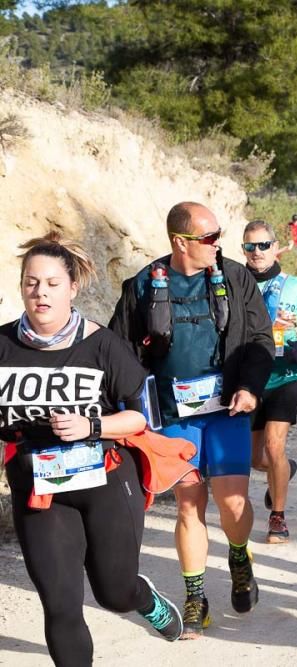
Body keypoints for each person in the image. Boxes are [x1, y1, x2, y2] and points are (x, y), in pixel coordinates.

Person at [2, 233, 184, 665]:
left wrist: (91, 423)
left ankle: (143, 598)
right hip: (38, 488)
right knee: (61, 605)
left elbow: (143, 417)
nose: (40, 292)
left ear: (72, 287)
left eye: (51, 283)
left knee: (113, 592)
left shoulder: (102, 344)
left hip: (104, 478)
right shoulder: (3, 346)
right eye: (31, 282)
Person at [109, 202, 274, 639]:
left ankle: (239, 554)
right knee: (189, 502)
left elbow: (260, 339)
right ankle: (195, 596)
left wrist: (251, 387)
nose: (218, 244)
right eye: (209, 238)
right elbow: (118, 352)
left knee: (233, 503)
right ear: (180, 242)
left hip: (227, 410)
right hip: (173, 414)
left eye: (219, 235)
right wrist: (129, 410)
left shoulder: (236, 278)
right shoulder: (143, 286)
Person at [242, 220, 297, 544]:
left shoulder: (295, 286)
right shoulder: (235, 282)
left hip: (285, 374)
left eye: (262, 245)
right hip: (248, 380)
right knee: (258, 459)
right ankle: (284, 470)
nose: (256, 252)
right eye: (249, 246)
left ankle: (278, 519)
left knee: (274, 446)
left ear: (275, 247)